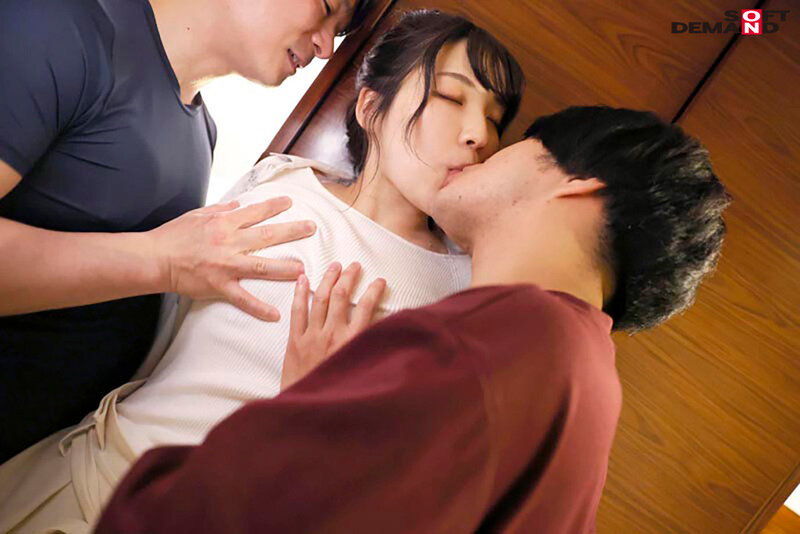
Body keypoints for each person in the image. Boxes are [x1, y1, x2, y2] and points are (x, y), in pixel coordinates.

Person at [0, 11, 525, 533]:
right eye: (451, 97)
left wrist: (307, 416)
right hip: (63, 473)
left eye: (496, 120)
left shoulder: (463, 294)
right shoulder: (279, 183)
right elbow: (160, 336)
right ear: (370, 106)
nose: (480, 134)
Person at [93, 106, 731, 534]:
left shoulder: (506, 339)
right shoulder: (584, 376)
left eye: (515, 140)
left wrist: (303, 417)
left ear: (578, 186)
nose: (481, 144)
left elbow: (197, 517)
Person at [0, 0, 378, 461]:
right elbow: (160, 261)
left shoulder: (202, 137)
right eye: (327, 6)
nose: (324, 47)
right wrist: (164, 263)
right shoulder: (62, 28)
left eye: (338, 33)